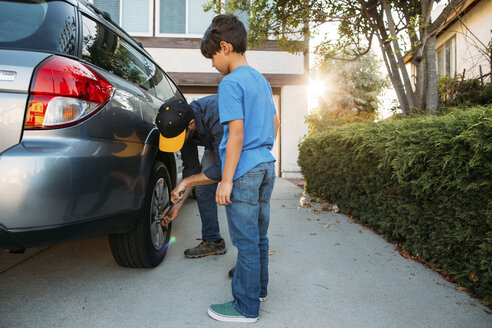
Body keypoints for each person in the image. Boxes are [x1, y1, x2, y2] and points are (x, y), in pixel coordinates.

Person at [199, 14, 279, 323]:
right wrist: (262, 152)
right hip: (265, 166)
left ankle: (246, 307)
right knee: (259, 237)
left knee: (245, 242)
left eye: (213, 57)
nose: (213, 65)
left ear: (225, 46)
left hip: (244, 171)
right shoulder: (260, 79)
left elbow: (236, 134)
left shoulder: (230, 83)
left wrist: (226, 180)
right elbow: (275, 122)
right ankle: (259, 290)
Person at [155, 95, 227, 258]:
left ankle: (248, 259)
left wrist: (186, 182)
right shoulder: (181, 125)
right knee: (201, 187)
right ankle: (213, 241)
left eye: (178, 138)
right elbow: (192, 170)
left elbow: (222, 170)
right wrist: (176, 207)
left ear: (191, 124)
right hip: (215, 146)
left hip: (240, 146)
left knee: (236, 194)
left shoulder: (216, 114)